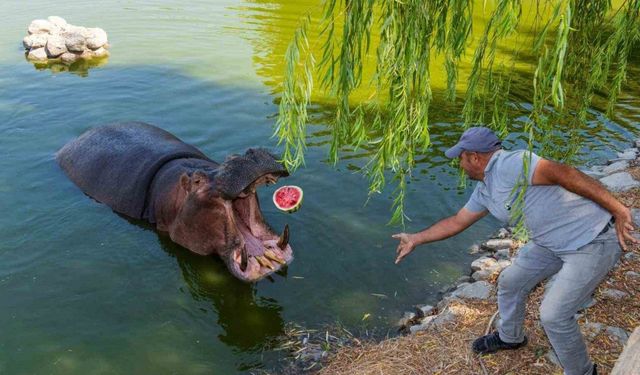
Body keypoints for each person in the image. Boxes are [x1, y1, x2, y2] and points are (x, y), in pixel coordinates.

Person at [392, 127, 637, 375]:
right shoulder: (486, 189)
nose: (460, 164)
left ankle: (583, 372)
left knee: (553, 315)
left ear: (475, 157)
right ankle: (511, 337)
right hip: (549, 243)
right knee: (510, 281)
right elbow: (457, 221)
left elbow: (566, 173)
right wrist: (416, 238)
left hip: (592, 240)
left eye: (461, 157)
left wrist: (618, 209)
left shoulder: (511, 164)